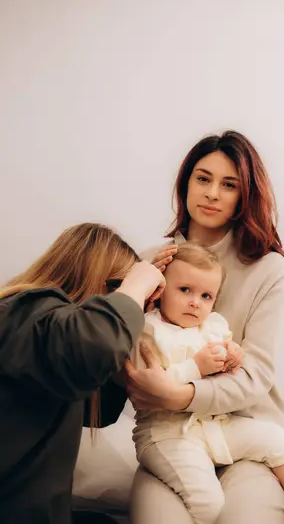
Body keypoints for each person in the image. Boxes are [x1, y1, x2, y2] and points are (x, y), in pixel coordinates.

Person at [126, 130, 284, 524]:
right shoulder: (149, 262)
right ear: (185, 185)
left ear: (246, 195)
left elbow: (255, 375)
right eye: (202, 178)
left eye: (229, 184)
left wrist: (177, 393)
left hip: (246, 434)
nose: (213, 193)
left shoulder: (267, 268)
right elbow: (134, 370)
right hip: (169, 438)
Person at [131, 242, 284, 524]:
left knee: (276, 440)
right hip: (168, 432)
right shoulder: (148, 329)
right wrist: (194, 368)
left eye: (206, 295)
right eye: (184, 290)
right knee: (209, 502)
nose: (195, 302)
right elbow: (146, 386)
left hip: (214, 424)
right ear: (161, 291)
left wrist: (234, 354)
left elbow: (236, 364)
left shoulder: (211, 325)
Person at [0, 222, 165, 524]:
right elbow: (95, 345)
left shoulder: (36, 328)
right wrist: (137, 285)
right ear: (97, 280)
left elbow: (95, 413)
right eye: (118, 288)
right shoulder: (29, 312)